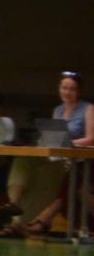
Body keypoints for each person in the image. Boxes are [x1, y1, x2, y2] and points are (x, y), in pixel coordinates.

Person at [21, 70, 93, 236]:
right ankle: (19, 207)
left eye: (72, 89)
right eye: (64, 88)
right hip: (60, 157)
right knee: (24, 161)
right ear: (59, 89)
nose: (67, 92)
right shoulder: (57, 110)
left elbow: (91, 138)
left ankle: (45, 219)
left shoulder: (88, 109)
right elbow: (55, 136)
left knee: (74, 178)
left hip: (82, 159)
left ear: (79, 91)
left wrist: (71, 143)